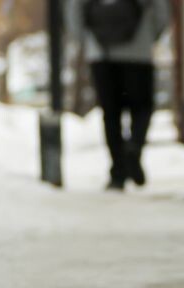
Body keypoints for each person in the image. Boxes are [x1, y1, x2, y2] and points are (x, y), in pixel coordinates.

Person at [68, 0, 170, 190]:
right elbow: (161, 9)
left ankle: (118, 172)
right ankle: (134, 146)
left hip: (101, 53)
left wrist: (86, 39)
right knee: (142, 107)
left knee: (111, 113)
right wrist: (149, 35)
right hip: (139, 52)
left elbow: (75, 7)